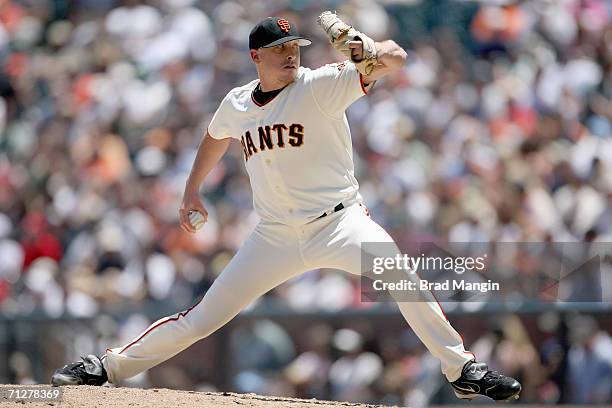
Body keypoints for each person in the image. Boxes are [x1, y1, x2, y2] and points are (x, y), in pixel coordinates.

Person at [51, 13, 521, 402]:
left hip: (341, 222)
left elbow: (396, 59)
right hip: (274, 235)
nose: (291, 52)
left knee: (402, 276)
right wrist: (192, 190)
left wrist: (361, 46)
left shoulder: (319, 85)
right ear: (256, 56)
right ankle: (106, 367)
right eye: (280, 47)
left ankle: (461, 369)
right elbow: (216, 136)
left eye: (294, 44)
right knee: (202, 318)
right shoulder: (237, 102)